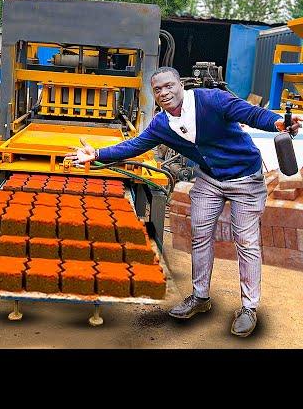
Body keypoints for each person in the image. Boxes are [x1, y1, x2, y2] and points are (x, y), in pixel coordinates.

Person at [65, 66, 302, 337]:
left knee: (246, 242)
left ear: (181, 85)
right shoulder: (162, 124)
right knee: (200, 235)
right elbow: (134, 145)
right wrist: (95, 154)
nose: (164, 93)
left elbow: (250, 113)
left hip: (245, 179)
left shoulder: (211, 99)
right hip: (210, 180)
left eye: (169, 86)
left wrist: (277, 123)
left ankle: (249, 308)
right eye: (158, 90)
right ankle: (200, 298)